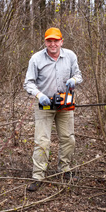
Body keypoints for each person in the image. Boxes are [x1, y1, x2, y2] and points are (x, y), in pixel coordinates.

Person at [23, 27, 83, 191]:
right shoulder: (36, 59)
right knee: (42, 141)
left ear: (61, 41)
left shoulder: (70, 56)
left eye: (56, 40)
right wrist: (39, 95)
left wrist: (73, 80)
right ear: (45, 42)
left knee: (68, 138)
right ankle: (38, 176)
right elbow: (28, 83)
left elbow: (79, 75)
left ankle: (65, 170)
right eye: (49, 40)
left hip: (65, 103)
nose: (53, 44)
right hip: (45, 104)